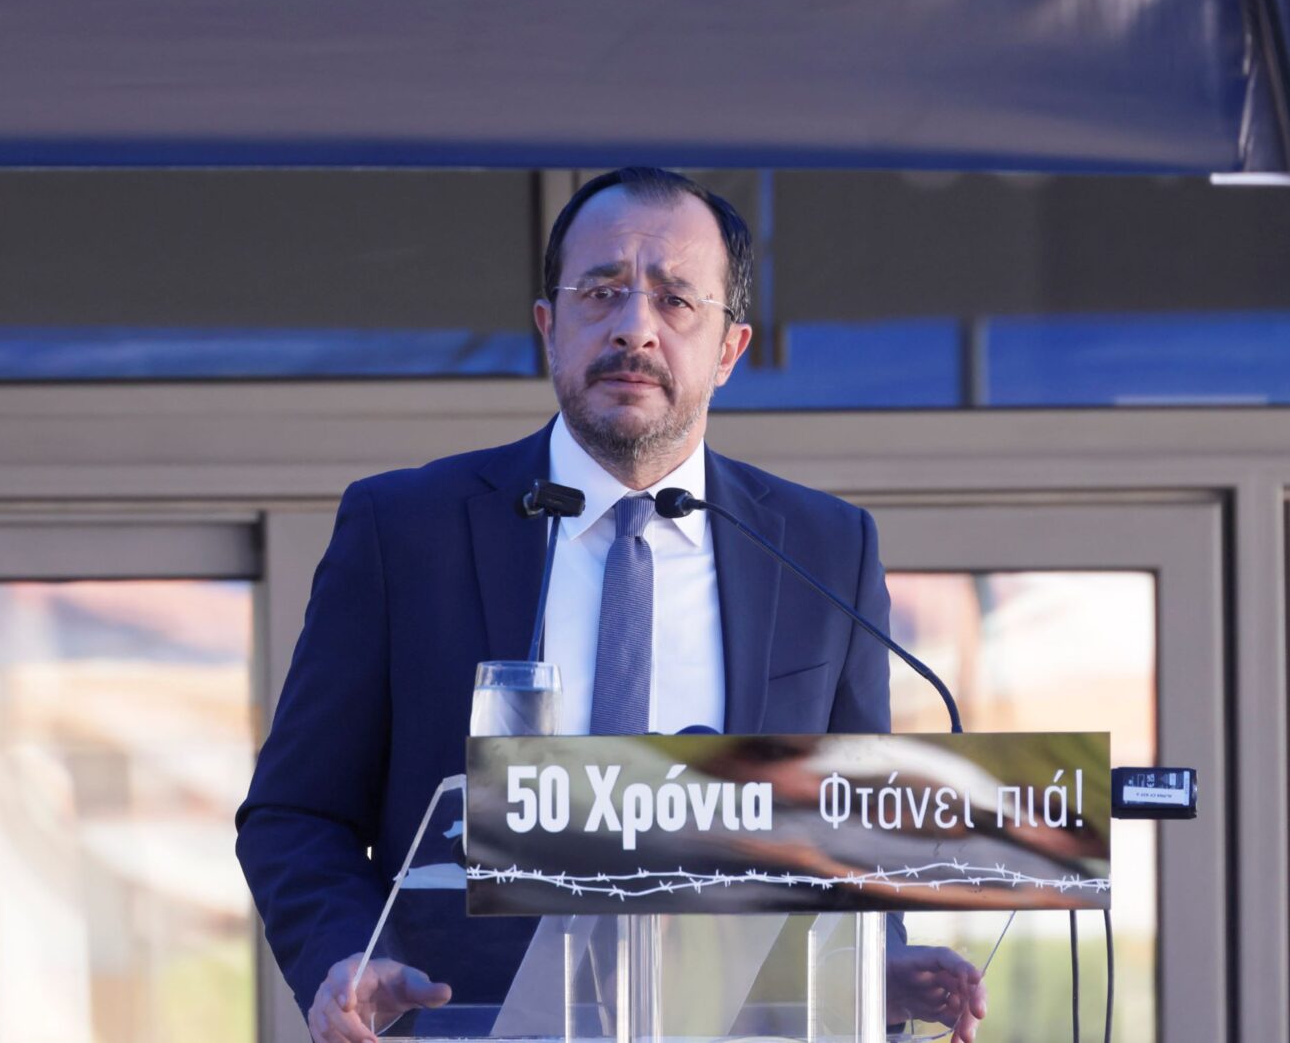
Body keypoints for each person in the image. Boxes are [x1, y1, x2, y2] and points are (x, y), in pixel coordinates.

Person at [235, 167, 987, 1043]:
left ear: (730, 350)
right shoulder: (406, 530)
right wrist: (346, 955)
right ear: (548, 328)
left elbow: (848, 832)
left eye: (676, 300)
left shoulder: (823, 549)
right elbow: (298, 813)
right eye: (600, 293)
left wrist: (874, 965)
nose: (634, 326)